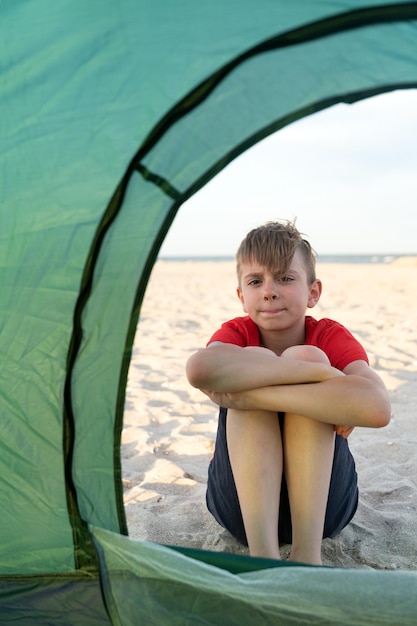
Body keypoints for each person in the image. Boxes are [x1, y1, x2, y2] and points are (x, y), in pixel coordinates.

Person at [185, 220, 390, 565]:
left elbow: (378, 408)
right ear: (241, 296)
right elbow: (199, 369)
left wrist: (252, 395)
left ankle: (307, 559)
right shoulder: (238, 333)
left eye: (284, 277)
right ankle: (262, 558)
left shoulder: (326, 335)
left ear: (313, 291)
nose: (269, 290)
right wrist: (316, 375)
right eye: (255, 281)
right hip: (241, 509)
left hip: (324, 510)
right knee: (269, 360)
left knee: (304, 353)